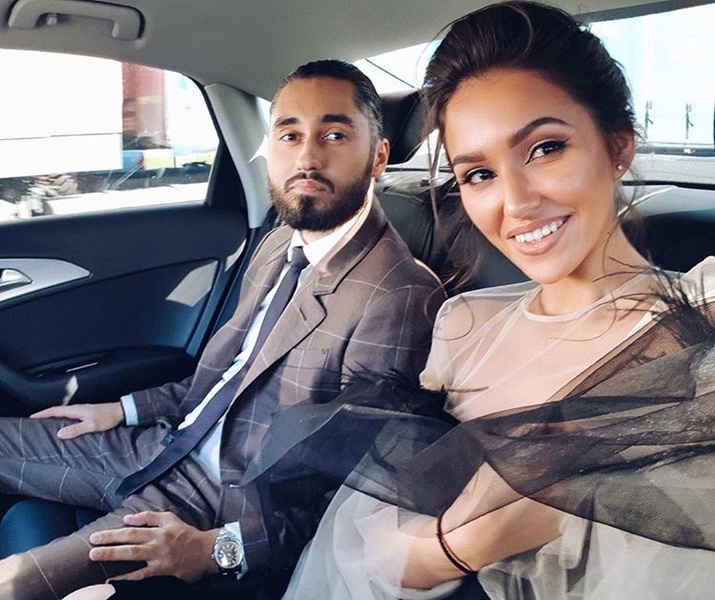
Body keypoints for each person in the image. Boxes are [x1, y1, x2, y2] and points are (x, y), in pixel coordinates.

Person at [241, 3, 712, 599]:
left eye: (545, 149)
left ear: (617, 145)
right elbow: (365, 546)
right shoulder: (465, 326)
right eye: (479, 175)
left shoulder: (698, 315)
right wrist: (468, 541)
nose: (516, 203)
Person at [0, 59, 444, 600]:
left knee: (19, 583)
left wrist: (217, 548)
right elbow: (223, 378)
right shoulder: (279, 245)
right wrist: (120, 410)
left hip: (220, 506)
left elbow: (352, 502)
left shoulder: (397, 296)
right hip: (164, 444)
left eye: (334, 134)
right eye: (289, 135)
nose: (306, 157)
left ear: (377, 157)